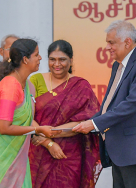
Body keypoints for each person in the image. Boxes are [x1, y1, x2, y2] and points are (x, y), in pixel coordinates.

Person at [73, 20, 136, 188]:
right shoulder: (118, 66)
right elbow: (110, 105)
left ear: (127, 42)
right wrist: (88, 123)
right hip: (121, 151)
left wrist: (94, 123)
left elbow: (132, 104)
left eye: (111, 42)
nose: (107, 47)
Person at [0, 39, 61, 188]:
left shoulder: (27, 85)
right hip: (0, 154)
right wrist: (38, 130)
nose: (40, 58)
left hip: (16, 153)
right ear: (25, 59)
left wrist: (44, 131)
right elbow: (4, 127)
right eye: (37, 55)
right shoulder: (10, 85)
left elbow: (24, 119)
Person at [28, 40, 101, 188]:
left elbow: (85, 121)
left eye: (62, 59)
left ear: (71, 60)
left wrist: (48, 134)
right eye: (52, 59)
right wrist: (48, 143)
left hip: (69, 154)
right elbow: (26, 115)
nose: (57, 64)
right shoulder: (35, 80)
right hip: (38, 151)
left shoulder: (81, 85)